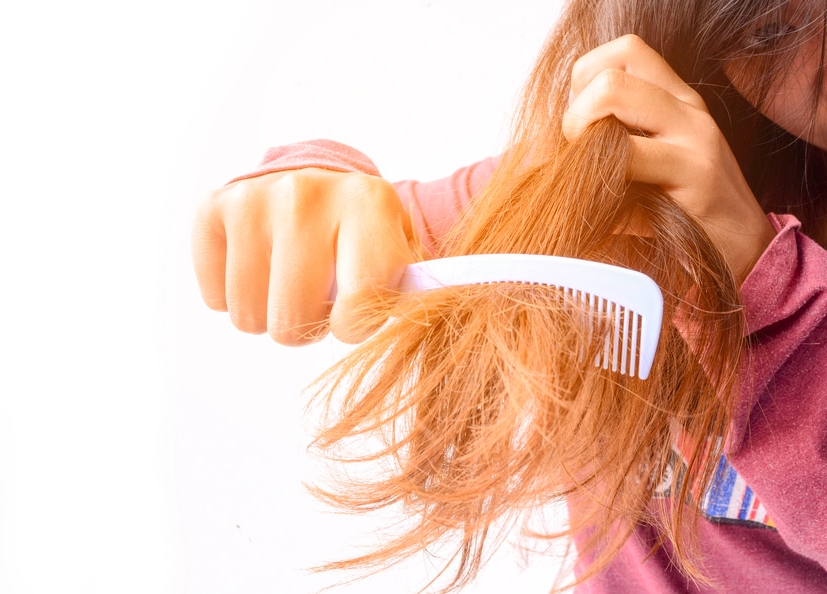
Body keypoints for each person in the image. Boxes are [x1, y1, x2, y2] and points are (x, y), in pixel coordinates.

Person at [191, 0, 827, 592]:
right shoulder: (651, 187)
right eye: (770, 33)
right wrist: (308, 186)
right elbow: (385, 226)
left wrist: (768, 289)